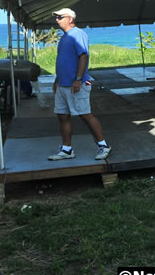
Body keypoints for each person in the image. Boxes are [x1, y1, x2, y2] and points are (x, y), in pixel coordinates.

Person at [48, 8, 112, 161]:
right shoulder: (64, 38)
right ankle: (67, 150)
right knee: (63, 116)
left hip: (76, 83)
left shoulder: (79, 34)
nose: (57, 20)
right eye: (56, 17)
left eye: (60, 17)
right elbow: (62, 61)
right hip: (63, 84)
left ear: (70, 19)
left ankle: (103, 146)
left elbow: (83, 56)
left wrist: (78, 79)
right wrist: (57, 81)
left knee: (85, 114)